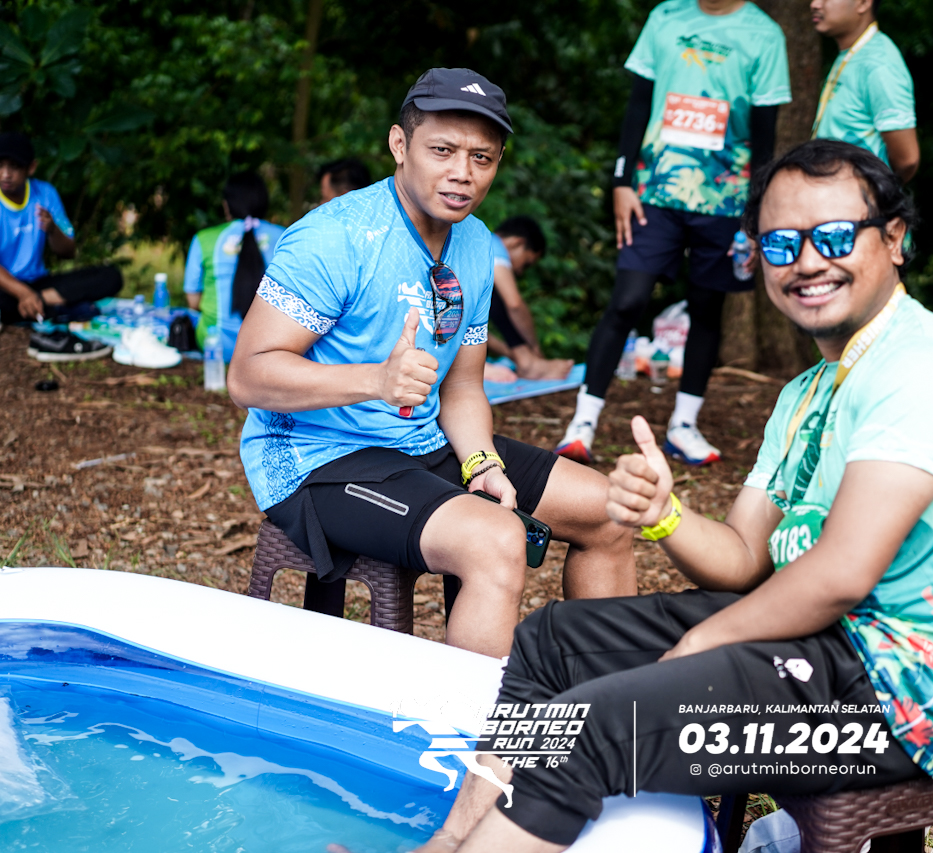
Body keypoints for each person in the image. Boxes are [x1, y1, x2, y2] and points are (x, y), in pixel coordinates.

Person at [404, 140, 933, 853]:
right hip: (816, 646)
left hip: (896, 698)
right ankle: (449, 841)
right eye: (782, 243)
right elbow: (741, 559)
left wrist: (706, 640)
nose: (807, 261)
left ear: (894, 239)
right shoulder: (806, 395)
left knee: (596, 728)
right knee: (552, 642)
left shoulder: (921, 367)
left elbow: (842, 574)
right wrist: (664, 516)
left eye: (833, 236)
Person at [228, 68, 636, 660]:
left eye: (481, 157)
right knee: (497, 539)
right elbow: (247, 375)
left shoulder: (476, 244)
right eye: (442, 150)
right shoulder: (336, 237)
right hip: (319, 459)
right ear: (400, 144)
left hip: (423, 443)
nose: (462, 172)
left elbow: (464, 385)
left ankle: (603, 705)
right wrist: (375, 380)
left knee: (610, 512)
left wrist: (481, 462)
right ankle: (467, 721)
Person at [555, 0, 791, 467]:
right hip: (654, 192)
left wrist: (755, 210)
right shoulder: (665, 17)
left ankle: (684, 426)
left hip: (725, 198)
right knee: (627, 300)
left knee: (706, 308)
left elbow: (766, 135)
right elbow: (638, 104)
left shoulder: (765, 34)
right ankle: (582, 423)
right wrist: (621, 181)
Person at [0, 131, 120, 361]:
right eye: (0, 166)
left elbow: (68, 251)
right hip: (6, 286)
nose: (5, 174)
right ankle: (43, 305)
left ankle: (34, 305)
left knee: (110, 277)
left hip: (39, 283)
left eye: (14, 166)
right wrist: (23, 293)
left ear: (31, 168)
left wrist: (53, 229)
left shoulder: (45, 194)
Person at [810, 0, 919, 182]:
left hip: (854, 198)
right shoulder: (852, 53)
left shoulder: (879, 65)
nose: (815, 4)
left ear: (863, 3)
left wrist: (876, 193)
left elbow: (907, 160)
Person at [182, 172, 286, 360]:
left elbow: (193, 302)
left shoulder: (203, 239)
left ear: (226, 205)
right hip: (269, 347)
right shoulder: (285, 237)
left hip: (216, 345)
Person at [487, 215, 573, 380]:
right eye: (527, 264)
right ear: (517, 243)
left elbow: (474, 331)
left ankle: (526, 361)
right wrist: (534, 349)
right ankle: (529, 363)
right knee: (496, 290)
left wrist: (512, 353)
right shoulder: (492, 244)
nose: (520, 272)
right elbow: (514, 304)